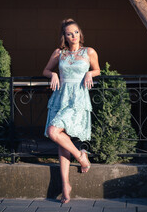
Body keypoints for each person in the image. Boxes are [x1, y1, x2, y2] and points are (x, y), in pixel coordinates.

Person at [43, 18, 100, 203]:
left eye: (76, 32)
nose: (73, 36)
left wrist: (90, 72)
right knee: (60, 138)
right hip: (61, 97)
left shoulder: (89, 51)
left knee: (54, 131)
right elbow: (45, 70)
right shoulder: (59, 53)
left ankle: (80, 158)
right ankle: (67, 182)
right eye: (69, 33)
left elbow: (97, 69)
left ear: (80, 33)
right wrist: (53, 74)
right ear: (64, 37)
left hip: (78, 98)